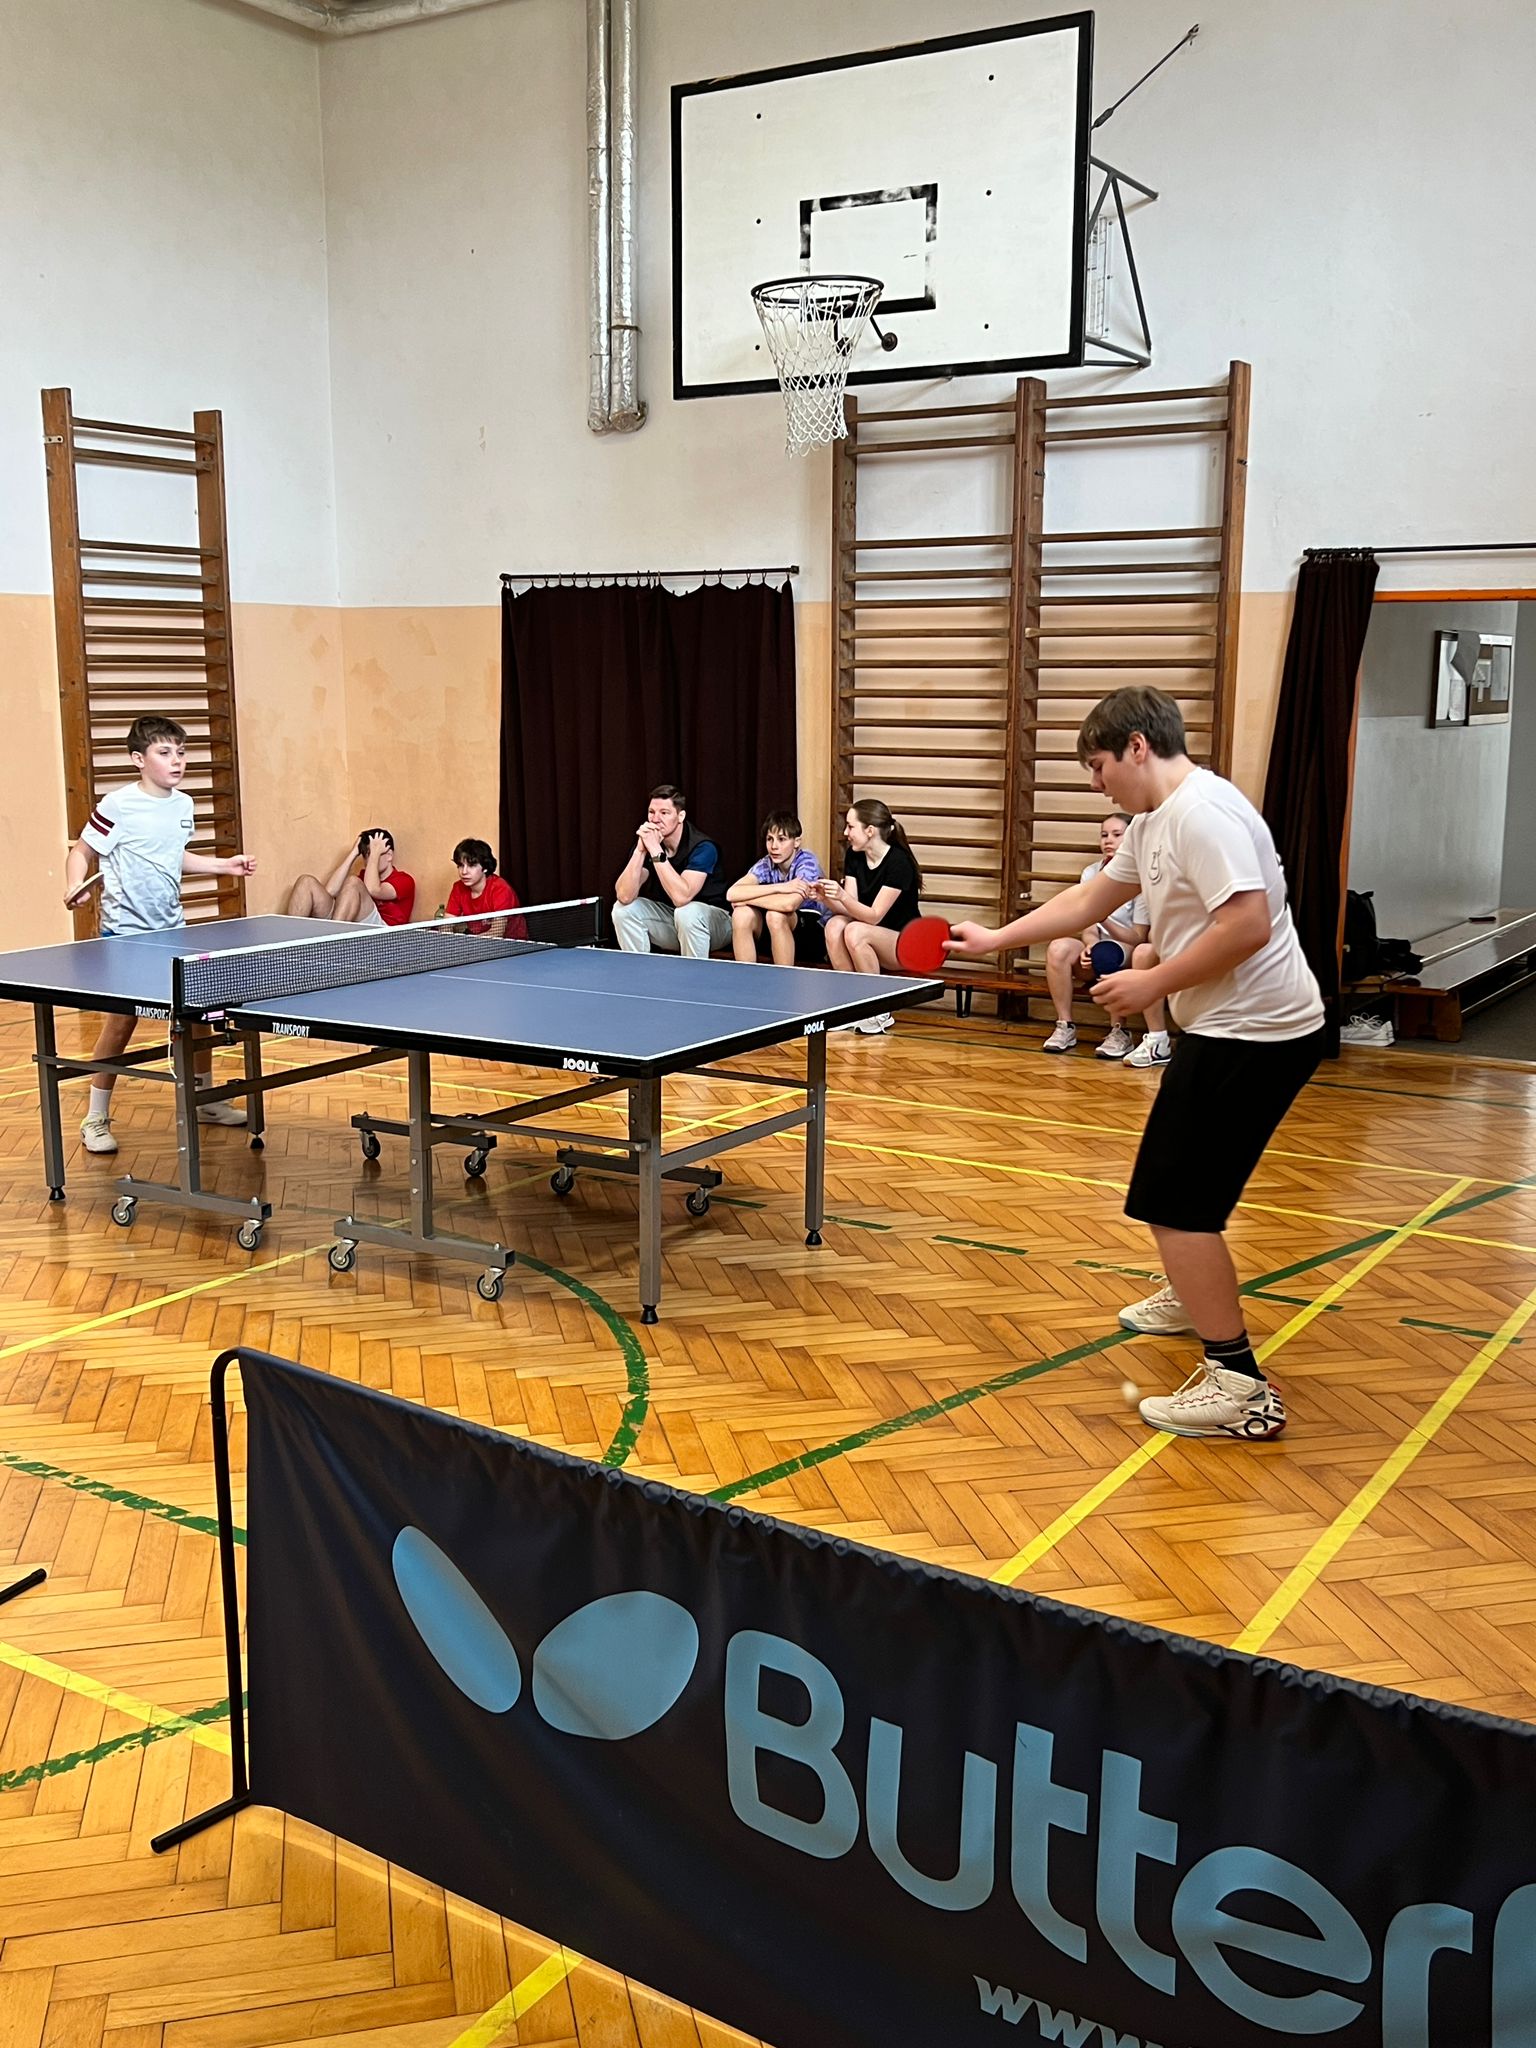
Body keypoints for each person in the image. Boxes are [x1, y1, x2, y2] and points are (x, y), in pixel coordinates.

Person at [949, 686, 1325, 1441]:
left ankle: (1240, 1386)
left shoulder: (1202, 814)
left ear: (1138, 747)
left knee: (1173, 1202)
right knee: (1184, 1194)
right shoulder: (1155, 820)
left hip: (1257, 1034)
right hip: (1233, 1028)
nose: (1096, 784)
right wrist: (996, 939)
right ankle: (1193, 1293)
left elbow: (1248, 924)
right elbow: (1091, 899)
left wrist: (1154, 983)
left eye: (1098, 766)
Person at [62, 716, 258, 1156]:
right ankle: (95, 1117)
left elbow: (173, 856)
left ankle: (204, 1100)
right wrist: (74, 884)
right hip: (125, 935)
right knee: (122, 1022)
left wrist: (223, 865)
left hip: (171, 929)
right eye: (165, 752)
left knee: (199, 1011)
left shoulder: (183, 805)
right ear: (138, 759)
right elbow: (83, 851)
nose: (177, 761)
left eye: (181, 752)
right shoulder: (118, 805)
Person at [1041, 811, 1166, 1061]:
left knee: (1107, 952)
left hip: (1127, 948)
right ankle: (1065, 1025)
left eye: (1117, 834)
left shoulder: (1140, 877)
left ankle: (1119, 1031)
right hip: (1098, 946)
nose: (1108, 840)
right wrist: (1089, 944)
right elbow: (1087, 923)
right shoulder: (1091, 873)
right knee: (1058, 948)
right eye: (1104, 835)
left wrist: (1103, 916)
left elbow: (1138, 937)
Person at [817, 798, 922, 1036]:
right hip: (871, 933)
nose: (846, 833)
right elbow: (850, 908)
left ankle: (879, 1009)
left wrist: (842, 896)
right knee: (834, 925)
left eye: (850, 827)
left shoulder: (898, 862)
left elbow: (874, 916)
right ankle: (849, 1005)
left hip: (906, 942)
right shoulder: (854, 856)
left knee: (855, 931)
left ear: (870, 831)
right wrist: (825, 898)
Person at [612, 784, 732, 959]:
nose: (655, 819)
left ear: (680, 816)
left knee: (687, 912)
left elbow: (681, 897)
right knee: (622, 910)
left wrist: (655, 850)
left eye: (664, 813)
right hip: (675, 921)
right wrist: (640, 851)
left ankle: (693, 975)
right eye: (651, 812)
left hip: (716, 924)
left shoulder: (703, 847)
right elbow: (624, 896)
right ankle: (638, 971)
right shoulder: (650, 843)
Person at [727, 810, 825, 966]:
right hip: (773, 930)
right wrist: (781, 887)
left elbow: (789, 905)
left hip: (810, 933)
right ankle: (746, 976)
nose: (774, 846)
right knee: (741, 914)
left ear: (797, 842)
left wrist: (747, 899)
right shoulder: (766, 863)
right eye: (769, 839)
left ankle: (784, 978)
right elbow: (732, 893)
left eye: (781, 839)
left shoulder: (807, 861)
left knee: (776, 915)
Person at [286, 830, 415, 926]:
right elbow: (330, 891)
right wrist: (354, 853)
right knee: (306, 882)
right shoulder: (363, 878)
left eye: (373, 853)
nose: (368, 860)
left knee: (353, 882)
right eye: (365, 855)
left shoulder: (404, 880)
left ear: (389, 855)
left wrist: (374, 853)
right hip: (351, 922)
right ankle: (288, 945)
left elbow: (374, 889)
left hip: (384, 932)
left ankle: (332, 941)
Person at [445, 838, 520, 937]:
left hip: (511, 943)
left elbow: (497, 933)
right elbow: (446, 924)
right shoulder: (458, 888)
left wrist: (468, 943)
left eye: (471, 865)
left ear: (485, 868)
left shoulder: (501, 889)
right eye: (460, 865)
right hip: (477, 941)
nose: (464, 872)